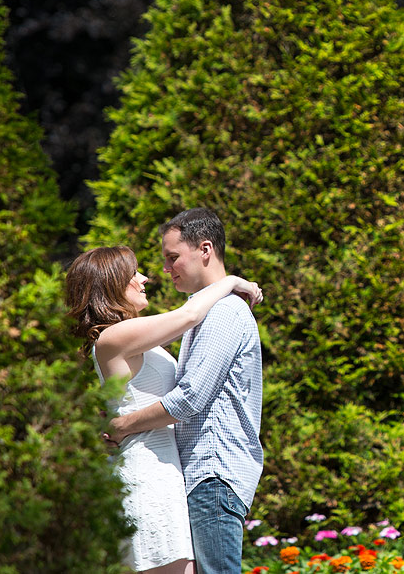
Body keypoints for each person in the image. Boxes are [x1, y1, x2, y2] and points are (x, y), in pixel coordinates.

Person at [66, 245, 263, 574]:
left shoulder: (131, 338)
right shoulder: (114, 337)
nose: (144, 279)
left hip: (164, 475)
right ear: (110, 284)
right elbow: (187, 316)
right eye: (133, 274)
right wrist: (229, 281)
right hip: (147, 478)